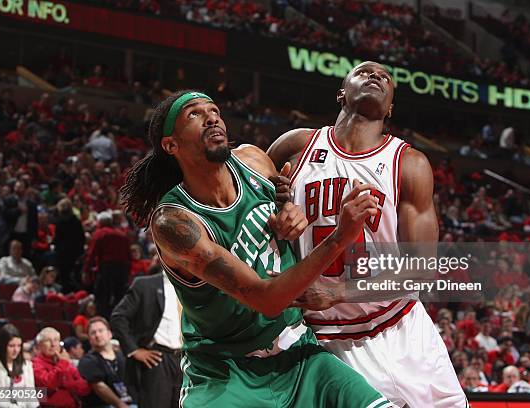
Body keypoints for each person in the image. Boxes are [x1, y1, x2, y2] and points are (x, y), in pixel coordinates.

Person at [119, 90, 389, 408]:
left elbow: (281, 197)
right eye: (194, 114)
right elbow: (266, 299)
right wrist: (340, 237)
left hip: (300, 356)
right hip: (227, 375)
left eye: (214, 109)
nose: (211, 117)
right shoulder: (174, 222)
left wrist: (289, 210)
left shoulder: (253, 160)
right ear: (171, 145)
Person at [267, 61, 467, 407]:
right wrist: (277, 207)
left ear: (390, 108)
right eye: (364, 71)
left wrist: (339, 291)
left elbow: (420, 270)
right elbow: (253, 214)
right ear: (342, 92)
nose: (376, 76)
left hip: (399, 328)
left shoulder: (408, 163)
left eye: (386, 77)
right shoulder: (295, 146)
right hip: (324, 339)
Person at [111, 273, 182, 408]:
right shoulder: (145, 284)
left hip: (187, 359)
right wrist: (134, 349)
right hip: (158, 359)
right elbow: (118, 318)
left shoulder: (194, 287)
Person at [78, 317, 136, 408]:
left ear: (109, 334)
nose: (97, 335)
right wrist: (120, 405)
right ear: (89, 338)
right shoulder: (87, 361)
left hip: (131, 401)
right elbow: (99, 387)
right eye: (93, 333)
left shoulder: (124, 356)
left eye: (101, 331)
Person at [83, 211, 131, 318]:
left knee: (103, 296)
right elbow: (129, 256)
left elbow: (92, 254)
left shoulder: (100, 233)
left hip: (107, 268)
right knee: (120, 296)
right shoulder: (122, 234)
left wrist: (86, 270)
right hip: (122, 269)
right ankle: (120, 318)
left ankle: (103, 319)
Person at [32, 327, 91, 407]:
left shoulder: (65, 362)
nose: (53, 344)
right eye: (48, 340)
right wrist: (63, 364)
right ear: (39, 345)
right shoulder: (35, 364)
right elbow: (48, 385)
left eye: (56, 340)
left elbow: (84, 388)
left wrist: (67, 384)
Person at [0, 323, 38, 408]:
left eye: (19, 346)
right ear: (2, 345)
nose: (16, 350)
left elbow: (31, 395)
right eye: (11, 346)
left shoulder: (26, 365)